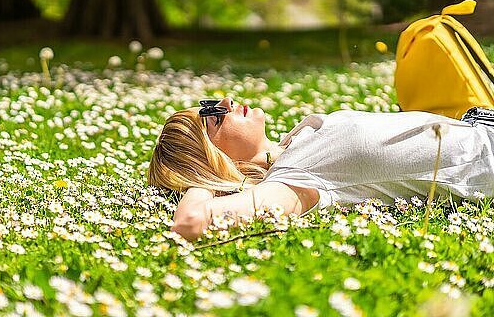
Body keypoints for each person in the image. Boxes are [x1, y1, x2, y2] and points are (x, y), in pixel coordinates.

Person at [148, 97, 494, 241]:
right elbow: (189, 223)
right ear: (215, 156)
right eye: (213, 117)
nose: (225, 101)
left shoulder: (294, 144)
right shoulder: (293, 179)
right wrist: (205, 179)